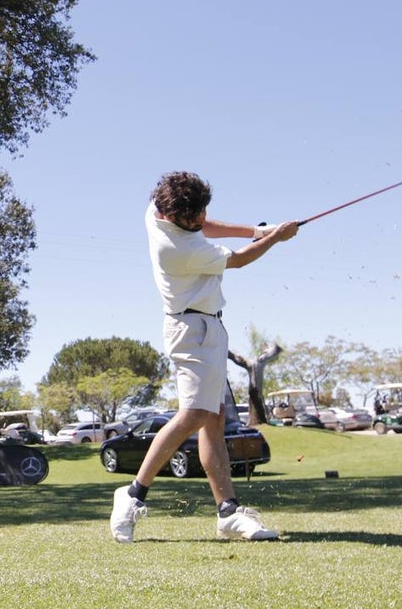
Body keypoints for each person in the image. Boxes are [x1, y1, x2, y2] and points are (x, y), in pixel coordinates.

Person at [109, 172, 298, 544]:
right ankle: (131, 495)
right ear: (175, 217)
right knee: (195, 413)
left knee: (214, 417)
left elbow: (205, 224)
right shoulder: (176, 250)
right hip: (189, 331)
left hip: (210, 327)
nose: (201, 220)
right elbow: (240, 261)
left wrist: (256, 230)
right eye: (193, 218)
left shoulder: (159, 210)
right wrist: (275, 237)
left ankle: (227, 511)